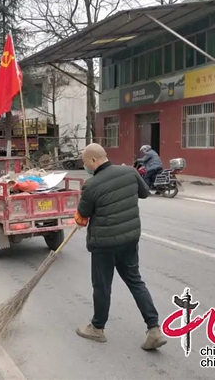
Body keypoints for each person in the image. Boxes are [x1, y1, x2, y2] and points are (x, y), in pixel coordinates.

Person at [73, 143, 167, 351]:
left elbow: (83, 215)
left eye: (85, 162)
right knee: (135, 281)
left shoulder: (91, 185)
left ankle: (97, 328)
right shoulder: (130, 172)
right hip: (129, 241)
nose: (85, 166)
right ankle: (154, 329)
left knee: (102, 286)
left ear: (94, 161)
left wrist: (80, 217)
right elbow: (144, 193)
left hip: (104, 245)